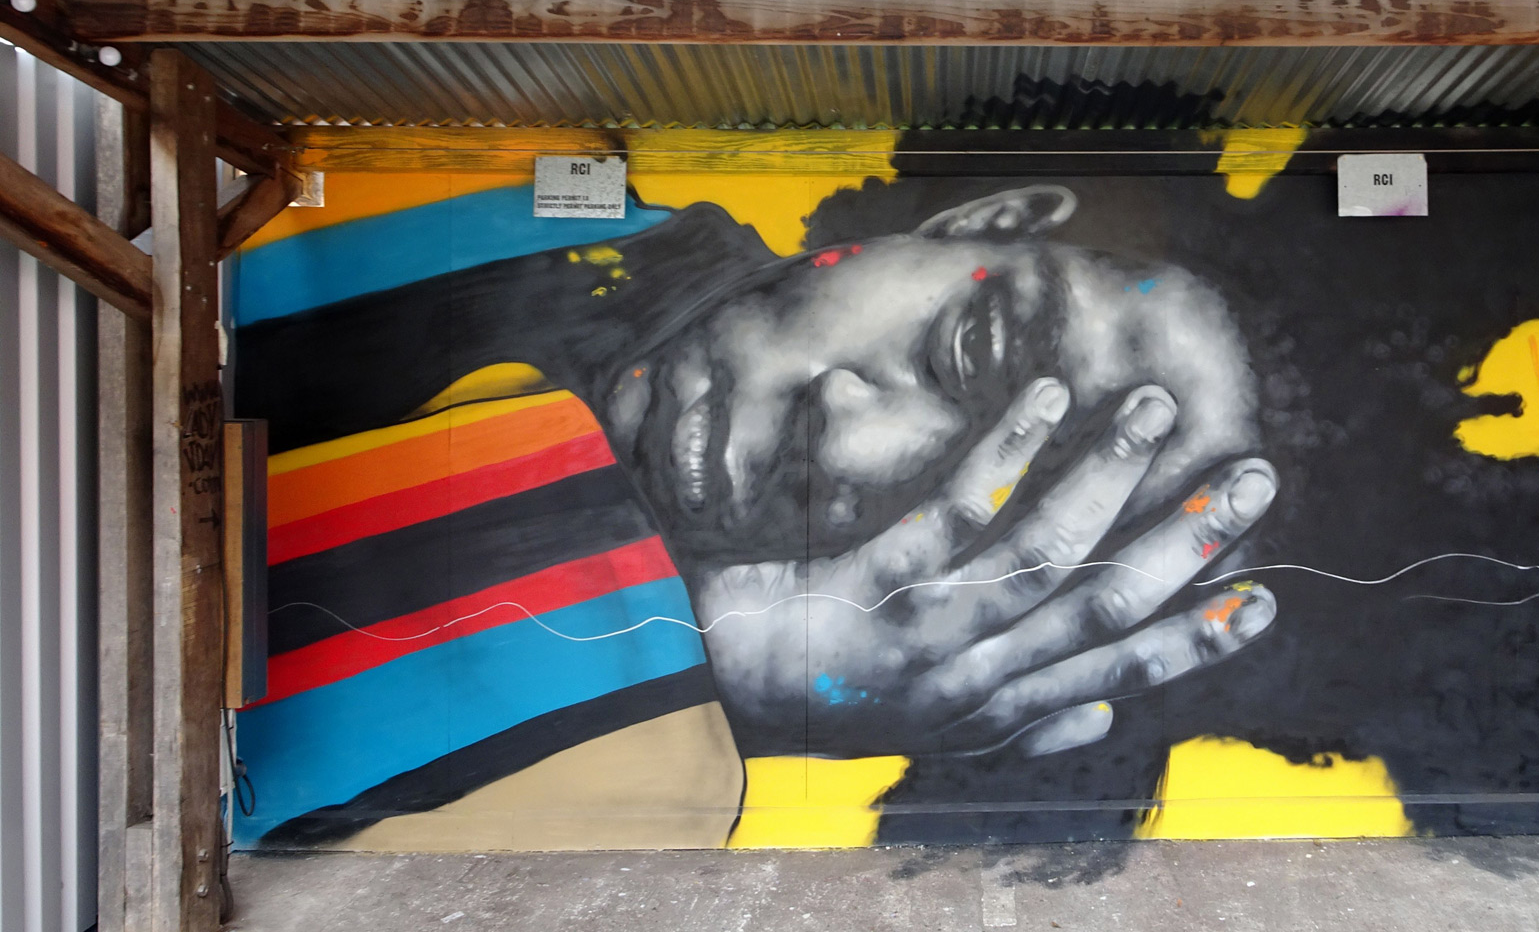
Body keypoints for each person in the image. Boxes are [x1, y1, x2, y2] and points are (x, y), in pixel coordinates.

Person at [237, 182, 1283, 779]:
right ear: (989, 221)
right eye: (972, 346)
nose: (850, 447)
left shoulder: (631, 784)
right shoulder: (473, 211)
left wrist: (717, 669)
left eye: (988, 537)